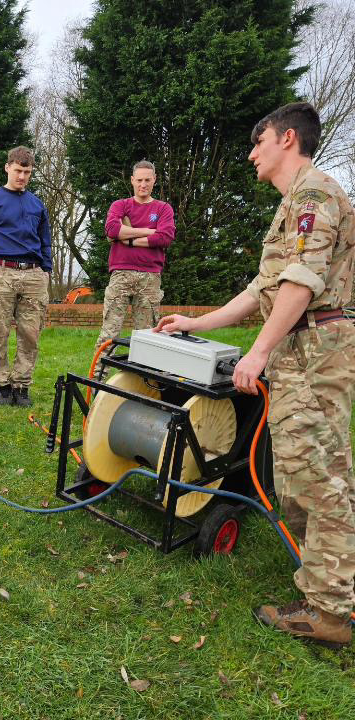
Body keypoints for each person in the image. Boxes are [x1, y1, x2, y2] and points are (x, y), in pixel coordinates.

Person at [156, 102, 355, 648]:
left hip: (315, 348)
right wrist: (195, 322)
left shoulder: (314, 196)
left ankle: (331, 610)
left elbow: (301, 284)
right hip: (300, 346)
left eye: (258, 141)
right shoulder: (293, 205)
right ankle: (325, 584)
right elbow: (259, 291)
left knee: (320, 478)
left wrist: (258, 353)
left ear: (287, 139)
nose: (251, 153)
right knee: (295, 475)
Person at [0, 145, 52, 407]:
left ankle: (22, 385)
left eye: (27, 172)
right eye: (18, 170)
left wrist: (46, 271)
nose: (22, 176)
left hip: (32, 274)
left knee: (31, 332)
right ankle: (2, 384)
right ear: (7, 168)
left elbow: (46, 240)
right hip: (1, 273)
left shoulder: (37, 204)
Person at [94, 160, 175, 374]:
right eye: (139, 180)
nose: (143, 184)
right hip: (120, 275)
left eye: (147, 180)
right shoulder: (120, 205)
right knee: (109, 333)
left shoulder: (163, 208)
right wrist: (150, 231)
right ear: (132, 180)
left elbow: (165, 237)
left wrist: (128, 237)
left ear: (154, 180)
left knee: (147, 336)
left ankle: (141, 386)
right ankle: (97, 385)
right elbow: (112, 230)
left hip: (150, 278)